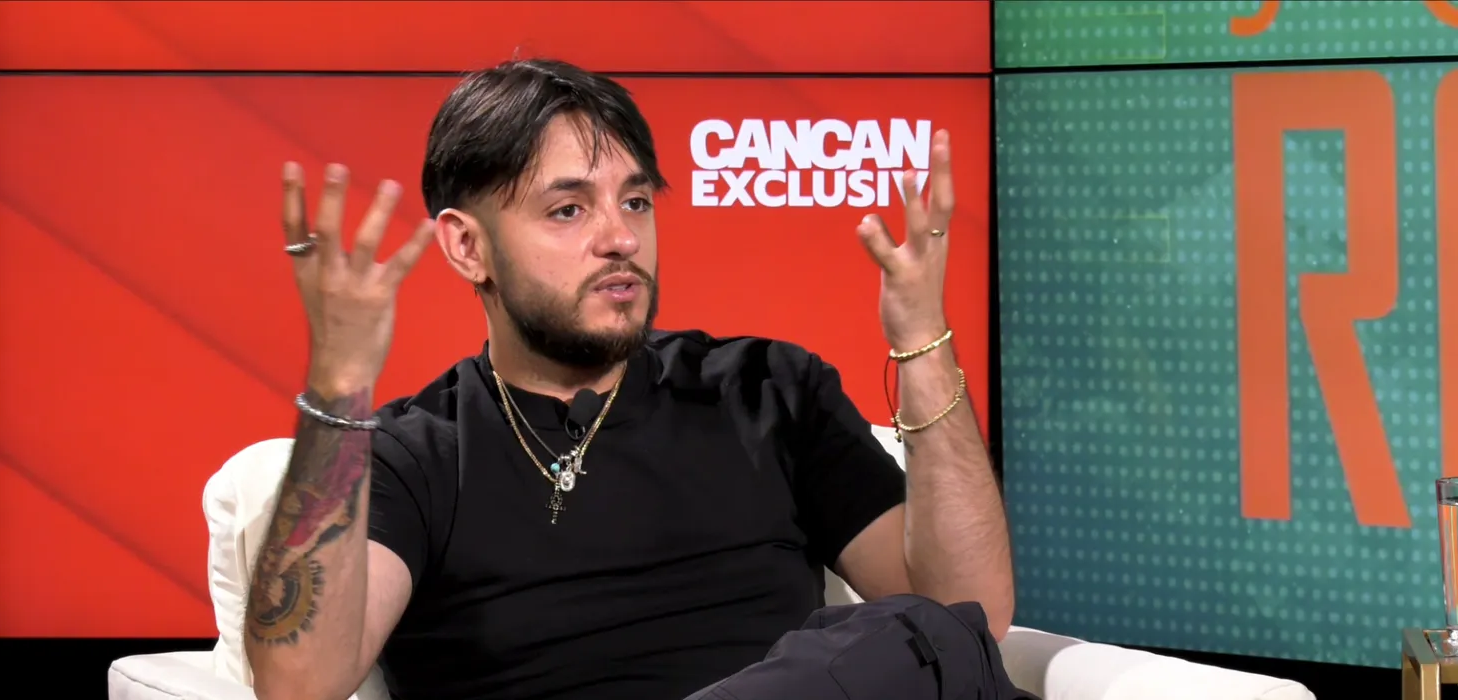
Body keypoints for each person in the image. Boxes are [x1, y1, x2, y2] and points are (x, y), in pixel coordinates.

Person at [243, 58, 1012, 700]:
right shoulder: (413, 457)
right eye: (568, 210)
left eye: (635, 201)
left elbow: (963, 617)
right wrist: (340, 382)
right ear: (468, 248)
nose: (620, 238)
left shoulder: (766, 391)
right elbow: (297, 684)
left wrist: (921, 338)